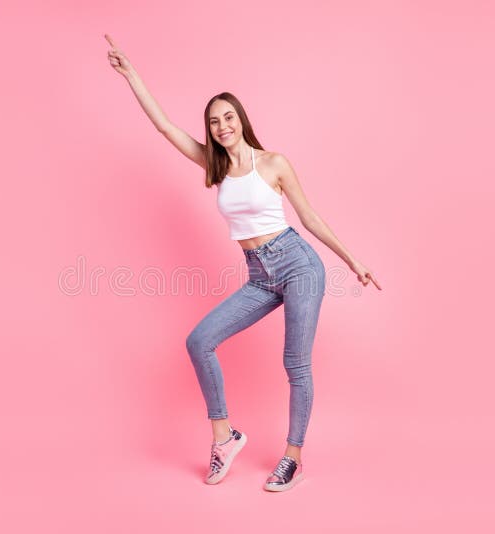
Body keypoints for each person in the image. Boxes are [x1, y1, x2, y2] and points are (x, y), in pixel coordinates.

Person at [104, 34, 382, 491]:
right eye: (214, 121)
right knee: (200, 341)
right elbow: (166, 128)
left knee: (296, 364)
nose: (221, 126)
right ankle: (224, 436)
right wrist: (131, 75)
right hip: (259, 274)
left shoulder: (272, 162)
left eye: (228, 117)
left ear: (241, 119)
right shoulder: (214, 168)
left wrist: (352, 259)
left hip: (297, 265)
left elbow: (308, 215)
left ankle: (292, 455)